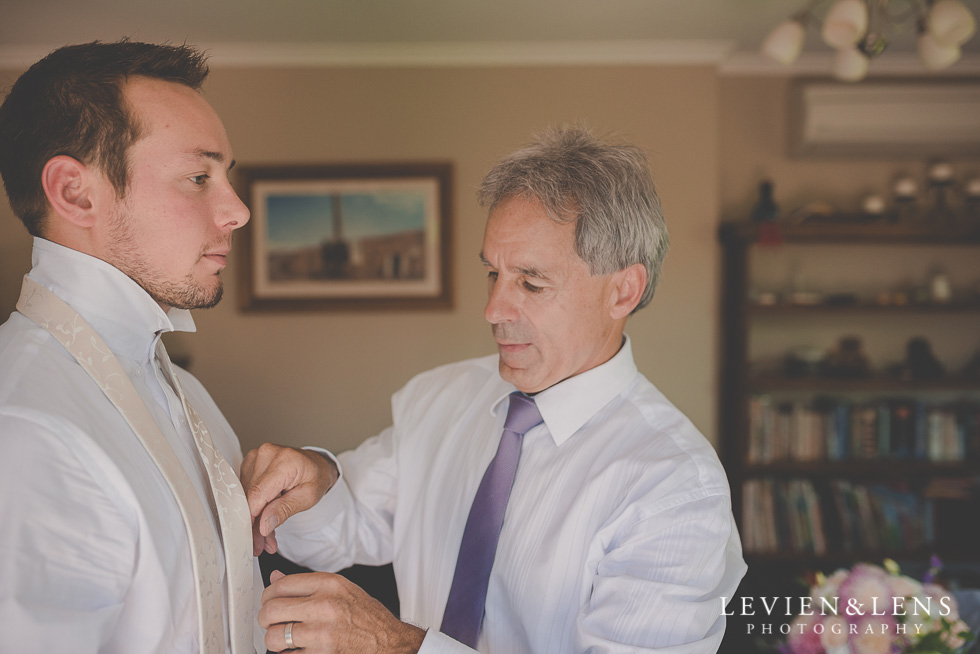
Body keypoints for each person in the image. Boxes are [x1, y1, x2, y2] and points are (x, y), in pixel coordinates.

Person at [242, 126, 746, 654]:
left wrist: (397, 645)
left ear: (623, 290)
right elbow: (351, 524)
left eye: (531, 282)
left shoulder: (674, 487)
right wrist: (316, 480)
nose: (494, 310)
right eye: (492, 273)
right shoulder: (443, 396)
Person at [0, 40, 262, 653]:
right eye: (199, 177)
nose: (238, 211)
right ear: (75, 193)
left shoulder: (186, 395)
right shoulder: (26, 429)